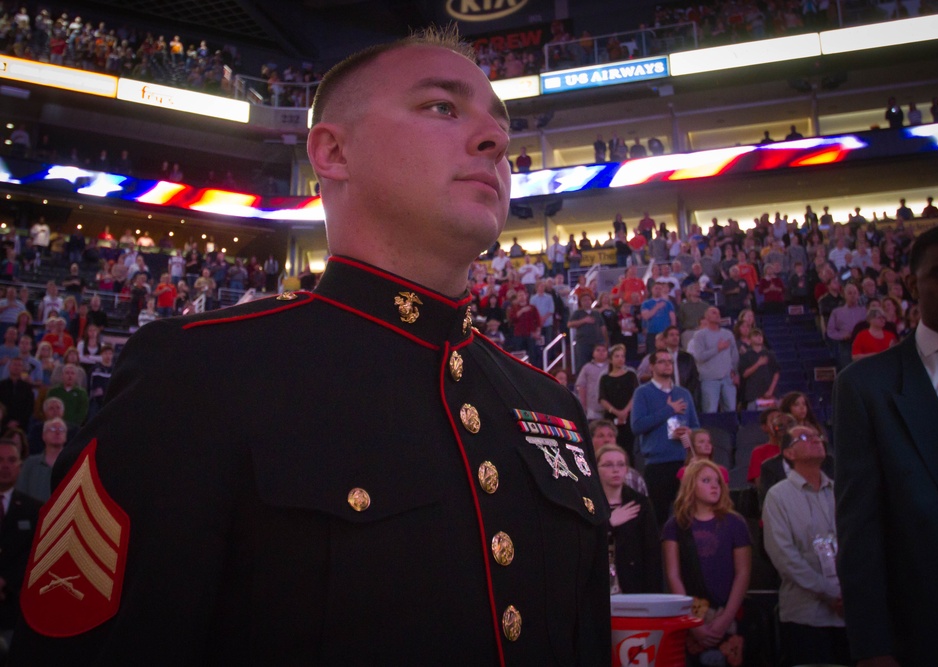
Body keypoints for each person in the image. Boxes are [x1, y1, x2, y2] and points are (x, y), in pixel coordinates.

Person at [14, 28, 610, 664]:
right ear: (332, 152)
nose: (497, 140)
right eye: (442, 106)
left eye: (499, 123)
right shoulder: (198, 374)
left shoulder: (552, 411)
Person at [834, 225, 938, 666]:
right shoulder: (866, 386)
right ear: (911, 284)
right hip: (931, 633)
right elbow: (860, 531)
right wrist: (873, 649)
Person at [763, 424, 848, 667]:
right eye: (804, 437)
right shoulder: (778, 496)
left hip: (850, 613)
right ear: (788, 453)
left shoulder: (840, 490)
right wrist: (829, 592)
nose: (816, 439)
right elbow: (784, 556)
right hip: (806, 615)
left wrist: (850, 591)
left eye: (818, 436)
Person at [662, 460, 751, 665]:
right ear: (691, 486)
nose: (714, 486)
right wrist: (692, 622)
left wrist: (726, 618)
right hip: (691, 615)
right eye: (706, 480)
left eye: (718, 482)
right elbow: (673, 575)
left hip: (729, 612)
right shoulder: (675, 526)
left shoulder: (735, 523)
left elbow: (743, 573)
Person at [632, 350, 700, 525]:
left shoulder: (684, 393)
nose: (667, 364)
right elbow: (637, 425)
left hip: (684, 463)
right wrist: (669, 410)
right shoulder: (643, 393)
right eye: (662, 361)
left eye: (670, 361)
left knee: (688, 515)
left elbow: (696, 426)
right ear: (652, 366)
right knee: (658, 517)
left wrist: (689, 432)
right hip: (657, 464)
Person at [597, 444, 661, 594]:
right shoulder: (589, 503)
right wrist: (608, 524)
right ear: (595, 469)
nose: (615, 469)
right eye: (608, 465)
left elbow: (652, 554)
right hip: (598, 586)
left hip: (632, 585)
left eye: (621, 464)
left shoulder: (641, 504)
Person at [0, 438, 41, 650]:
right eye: (0, 460)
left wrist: (6, 581)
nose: (5, 465)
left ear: (20, 466)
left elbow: (34, 556)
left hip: (15, 609)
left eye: (11, 460)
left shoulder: (33, 510)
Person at [687, 307, 739, 413]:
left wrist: (736, 373)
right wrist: (717, 349)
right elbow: (699, 357)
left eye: (719, 313)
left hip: (727, 378)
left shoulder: (728, 334)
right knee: (710, 411)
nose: (717, 315)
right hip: (709, 380)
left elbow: (734, 356)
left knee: (731, 411)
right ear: (706, 317)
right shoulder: (700, 335)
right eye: (714, 313)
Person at [598, 344, 638, 457]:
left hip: (629, 416)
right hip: (611, 417)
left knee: (629, 448)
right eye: (617, 356)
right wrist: (616, 412)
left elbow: (635, 395)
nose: (620, 359)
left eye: (622, 356)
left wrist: (625, 411)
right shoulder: (605, 378)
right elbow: (602, 399)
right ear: (610, 359)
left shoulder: (631, 375)